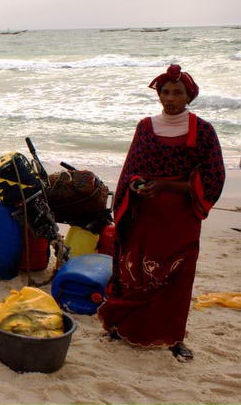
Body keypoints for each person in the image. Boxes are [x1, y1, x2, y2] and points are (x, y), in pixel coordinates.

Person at [98, 64, 225, 361]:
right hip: (144, 213)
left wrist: (166, 186)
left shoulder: (203, 131)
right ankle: (122, 325)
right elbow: (132, 170)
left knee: (177, 275)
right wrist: (139, 186)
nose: (170, 98)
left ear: (189, 95)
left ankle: (173, 337)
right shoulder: (145, 126)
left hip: (181, 216)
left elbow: (213, 177)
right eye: (165, 92)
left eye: (177, 92)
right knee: (136, 268)